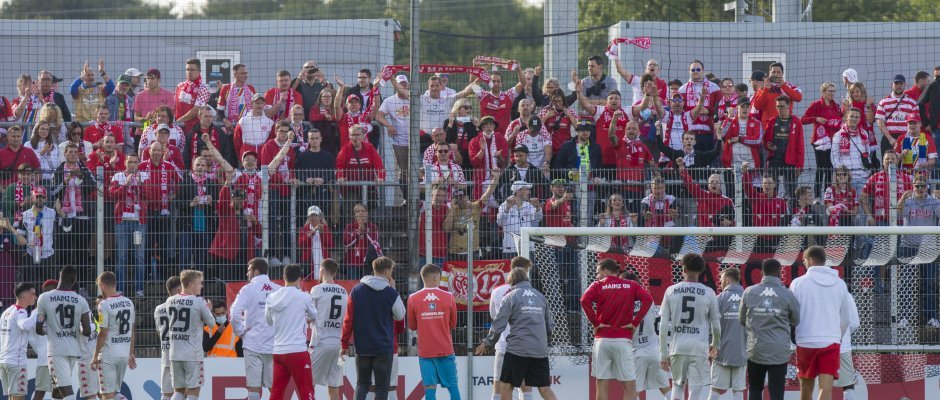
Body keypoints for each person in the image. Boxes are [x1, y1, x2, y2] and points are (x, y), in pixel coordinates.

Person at [476, 267, 558, 400]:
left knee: (506, 386)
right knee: (544, 388)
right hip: (540, 349)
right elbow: (549, 326)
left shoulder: (511, 296)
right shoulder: (540, 296)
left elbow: (499, 324)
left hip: (518, 349)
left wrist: (487, 343)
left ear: (511, 281)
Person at [790, 246, 859, 400]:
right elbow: (846, 319)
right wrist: (837, 336)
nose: (804, 264)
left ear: (810, 260)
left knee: (806, 389)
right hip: (831, 342)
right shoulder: (840, 284)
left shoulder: (798, 283)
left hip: (806, 341)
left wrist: (795, 334)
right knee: (826, 389)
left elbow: (792, 314)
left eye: (804, 261)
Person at [580, 259, 653, 400]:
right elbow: (648, 300)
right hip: (623, 340)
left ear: (606, 270)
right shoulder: (631, 284)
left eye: (598, 272)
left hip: (602, 340)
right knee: (629, 385)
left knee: (601, 383)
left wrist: (595, 323)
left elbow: (584, 300)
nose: (597, 276)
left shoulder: (598, 285)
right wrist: (634, 323)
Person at [341, 256, 406, 400]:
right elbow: (400, 316)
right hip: (384, 347)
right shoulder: (391, 293)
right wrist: (394, 290)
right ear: (388, 272)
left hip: (362, 347)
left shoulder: (356, 291)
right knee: (382, 389)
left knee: (362, 385)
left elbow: (348, 320)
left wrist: (344, 343)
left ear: (374, 269)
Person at [659, 253, 720, 400]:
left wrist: (663, 353)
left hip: (678, 346)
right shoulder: (709, 292)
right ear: (701, 270)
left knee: (677, 387)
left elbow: (662, 326)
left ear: (683, 269)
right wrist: (715, 345)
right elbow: (716, 326)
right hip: (698, 347)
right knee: (695, 389)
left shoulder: (671, 290)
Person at [739, 259, 800, 400]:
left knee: (755, 388)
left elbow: (741, 320)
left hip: (756, 349)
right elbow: (796, 320)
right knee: (776, 392)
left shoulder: (749, 292)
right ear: (780, 273)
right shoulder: (787, 294)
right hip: (779, 351)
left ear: (761, 272)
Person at [36, 266, 92, 400]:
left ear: (59, 277)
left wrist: (45, 331)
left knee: (66, 391)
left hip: (56, 351)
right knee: (57, 390)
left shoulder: (44, 298)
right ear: (74, 280)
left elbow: (38, 326)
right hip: (73, 350)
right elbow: (87, 331)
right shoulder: (81, 300)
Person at [230, 257, 280, 400]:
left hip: (253, 344)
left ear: (255, 271)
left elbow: (234, 313)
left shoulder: (248, 289)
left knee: (253, 387)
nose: (247, 274)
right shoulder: (278, 289)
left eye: (248, 271)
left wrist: (240, 332)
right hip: (273, 344)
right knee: (274, 387)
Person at [407, 264, 460, 400]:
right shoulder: (449, 297)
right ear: (436, 278)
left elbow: (412, 326)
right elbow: (453, 324)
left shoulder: (413, 298)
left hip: (425, 352)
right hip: (445, 349)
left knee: (430, 389)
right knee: (452, 386)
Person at [265, 264, 318, 400]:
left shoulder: (271, 298)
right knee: (306, 391)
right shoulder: (303, 297)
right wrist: (303, 318)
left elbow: (269, 321)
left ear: (284, 277)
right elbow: (314, 316)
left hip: (278, 351)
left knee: (276, 392)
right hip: (297, 350)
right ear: (300, 278)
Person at [165, 270, 216, 400]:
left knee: (178, 390)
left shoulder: (170, 300)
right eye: (200, 283)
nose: (202, 286)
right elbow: (211, 323)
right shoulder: (199, 302)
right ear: (191, 284)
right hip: (192, 354)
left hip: (175, 353)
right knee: (193, 390)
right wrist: (208, 310)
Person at [897, 174, 940, 327]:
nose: (921, 189)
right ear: (913, 187)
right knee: (906, 283)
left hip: (928, 248)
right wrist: (902, 197)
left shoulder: (934, 201)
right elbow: (898, 215)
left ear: (927, 186)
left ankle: (931, 318)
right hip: (908, 246)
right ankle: (904, 317)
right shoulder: (908, 202)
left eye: (923, 186)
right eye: (917, 186)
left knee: (928, 283)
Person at [621, 270, 670, 400]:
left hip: (635, 353)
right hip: (654, 351)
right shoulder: (648, 300)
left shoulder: (622, 303)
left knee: (632, 392)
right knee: (665, 388)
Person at [91, 271, 136, 400]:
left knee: (107, 396)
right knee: (115, 393)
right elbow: (132, 331)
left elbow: (103, 333)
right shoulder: (129, 302)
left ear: (102, 285)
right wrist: (131, 353)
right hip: (123, 354)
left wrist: (95, 356)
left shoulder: (104, 304)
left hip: (109, 355)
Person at [109, 154, 149, 296]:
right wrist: (125, 185)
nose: (132, 165)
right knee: (121, 256)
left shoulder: (144, 176)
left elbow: (149, 196)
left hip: (139, 222)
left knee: (139, 256)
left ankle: (139, 289)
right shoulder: (118, 176)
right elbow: (112, 196)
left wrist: (139, 185)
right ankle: (120, 289)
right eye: (129, 162)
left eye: (135, 162)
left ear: (138, 163)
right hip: (122, 221)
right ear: (125, 163)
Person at [309, 259, 348, 400]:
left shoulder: (317, 289)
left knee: (308, 384)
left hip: (320, 342)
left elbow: (308, 316)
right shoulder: (344, 292)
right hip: (338, 344)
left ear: (322, 270)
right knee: (334, 387)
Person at [707, 268, 746, 400]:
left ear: (727, 280)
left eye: (722, 280)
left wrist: (710, 344)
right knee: (738, 390)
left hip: (720, 352)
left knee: (715, 389)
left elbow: (710, 325)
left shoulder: (718, 299)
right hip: (742, 352)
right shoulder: (749, 296)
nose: (720, 283)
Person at [17, 186, 63, 285]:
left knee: (49, 285)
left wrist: (60, 211)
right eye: (37, 196)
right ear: (33, 198)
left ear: (45, 198)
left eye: (42, 196)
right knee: (31, 284)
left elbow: (66, 226)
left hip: (48, 254)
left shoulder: (52, 212)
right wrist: (24, 250)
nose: (39, 199)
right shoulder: (25, 215)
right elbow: (20, 234)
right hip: (31, 254)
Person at [0, 282, 38, 400]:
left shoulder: (6, 312)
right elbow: (24, 325)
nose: (36, 297)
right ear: (25, 296)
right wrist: (37, 312)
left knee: (12, 396)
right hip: (16, 361)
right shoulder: (21, 311)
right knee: (18, 397)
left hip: (4, 360)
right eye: (33, 294)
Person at [496, 181, 543, 258]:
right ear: (519, 191)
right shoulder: (504, 205)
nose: (529, 192)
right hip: (511, 248)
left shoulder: (529, 205)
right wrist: (507, 209)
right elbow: (500, 223)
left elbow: (538, 220)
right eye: (527, 189)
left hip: (528, 247)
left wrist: (537, 208)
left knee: (529, 270)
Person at [830, 108, 871, 194]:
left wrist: (867, 171)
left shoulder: (864, 134)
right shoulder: (838, 135)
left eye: (857, 117)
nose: (854, 119)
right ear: (846, 117)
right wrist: (841, 174)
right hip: (846, 178)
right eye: (852, 116)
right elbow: (834, 157)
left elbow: (868, 153)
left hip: (862, 176)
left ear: (859, 119)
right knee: (848, 205)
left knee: (862, 203)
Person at [876, 74, 920, 153]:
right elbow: (880, 121)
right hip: (889, 137)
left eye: (901, 84)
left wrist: (908, 138)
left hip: (906, 137)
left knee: (907, 164)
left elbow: (916, 122)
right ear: (892, 85)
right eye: (896, 84)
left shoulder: (912, 102)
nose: (899, 86)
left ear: (905, 85)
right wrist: (889, 138)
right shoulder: (884, 102)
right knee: (888, 164)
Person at [154, 276, 182, 400]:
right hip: (181, 354)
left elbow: (159, 332)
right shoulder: (182, 307)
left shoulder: (158, 309)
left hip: (166, 354)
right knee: (183, 393)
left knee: (166, 394)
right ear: (178, 290)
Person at [233, 94, 275, 160]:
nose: (260, 106)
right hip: (247, 160)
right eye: (257, 103)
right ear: (252, 103)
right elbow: (237, 142)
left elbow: (271, 143)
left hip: (263, 159)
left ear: (264, 104)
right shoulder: (243, 121)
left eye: (262, 103)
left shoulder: (270, 123)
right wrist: (240, 157)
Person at [218, 64, 257, 130]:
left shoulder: (251, 89)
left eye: (246, 73)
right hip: (230, 127)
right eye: (242, 73)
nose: (245, 75)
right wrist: (226, 121)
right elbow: (220, 110)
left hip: (248, 127)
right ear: (235, 75)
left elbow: (256, 108)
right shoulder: (226, 88)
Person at [175, 58, 210, 132]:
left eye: (192, 70)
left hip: (194, 130)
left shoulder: (203, 89)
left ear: (199, 71)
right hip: (178, 129)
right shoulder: (180, 86)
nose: (189, 72)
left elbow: (196, 111)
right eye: (187, 69)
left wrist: (178, 122)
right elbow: (174, 106)